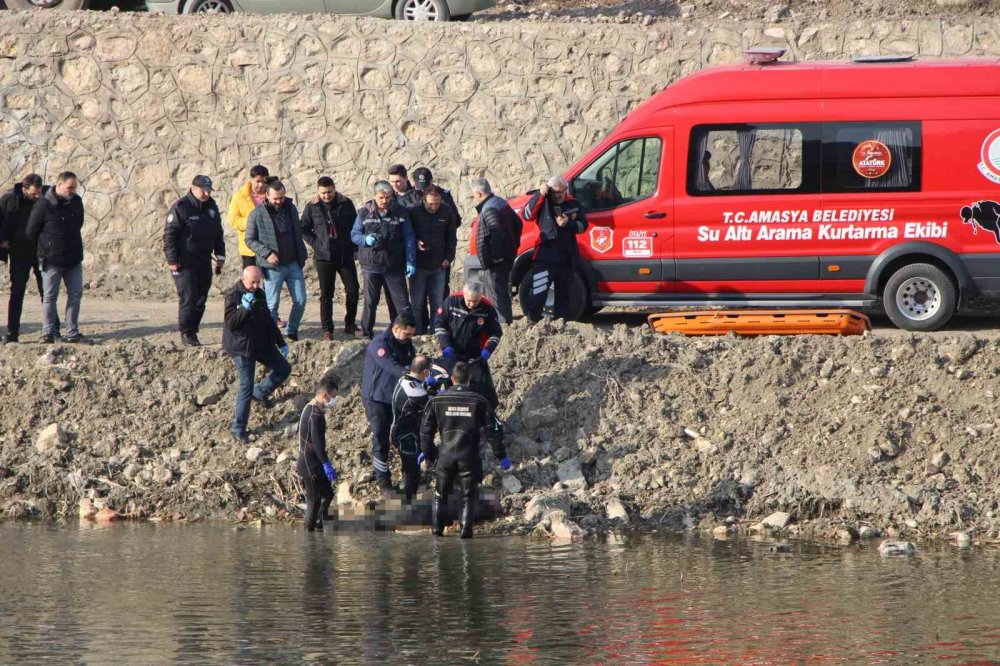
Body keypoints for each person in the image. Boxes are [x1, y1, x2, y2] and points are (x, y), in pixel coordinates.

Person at [420, 361, 510, 539]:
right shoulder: (479, 401)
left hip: (445, 455)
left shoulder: (437, 400)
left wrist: (427, 452)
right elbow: (493, 431)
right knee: (467, 497)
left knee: (439, 496)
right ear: (470, 379)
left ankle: (437, 535)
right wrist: (501, 455)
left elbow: (425, 431)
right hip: (469, 456)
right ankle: (465, 537)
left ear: (452, 379)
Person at [223, 265, 291, 445]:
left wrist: (280, 342)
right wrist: (243, 309)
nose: (255, 285)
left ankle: (260, 393)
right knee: (246, 386)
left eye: (258, 282)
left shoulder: (259, 294)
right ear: (243, 279)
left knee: (283, 368)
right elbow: (231, 324)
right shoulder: (233, 296)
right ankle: (238, 428)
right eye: (252, 282)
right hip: (242, 348)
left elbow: (268, 321)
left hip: (260, 343)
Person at [163, 175, 225, 347]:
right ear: (193, 188)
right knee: (188, 297)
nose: (206, 194)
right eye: (203, 191)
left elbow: (218, 233)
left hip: (204, 259)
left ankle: (194, 329)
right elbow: (169, 237)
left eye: (208, 191)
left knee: (201, 297)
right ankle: (187, 333)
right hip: (185, 261)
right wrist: (172, 260)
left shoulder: (211, 206)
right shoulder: (181, 207)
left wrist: (220, 255)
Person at [351, 181, 416, 340]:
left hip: (394, 264)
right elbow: (354, 234)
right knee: (370, 301)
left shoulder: (400, 212)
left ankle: (404, 332)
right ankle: (366, 333)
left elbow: (409, 237)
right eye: (381, 197)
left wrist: (411, 261)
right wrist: (365, 240)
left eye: (388, 197)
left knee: (401, 302)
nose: (385, 200)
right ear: (374, 196)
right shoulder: (364, 213)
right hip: (371, 264)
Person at [26, 171, 86, 344]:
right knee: (50, 297)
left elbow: (79, 223)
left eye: (74, 187)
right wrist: (46, 248)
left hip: (73, 258)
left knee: (75, 294)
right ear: (59, 185)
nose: (73, 190)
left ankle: (72, 332)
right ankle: (49, 332)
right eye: (69, 187)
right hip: (51, 259)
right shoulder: (44, 205)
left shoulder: (76, 201)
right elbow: (31, 231)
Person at [361, 313, 417, 495]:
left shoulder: (405, 342)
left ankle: (408, 477)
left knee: (403, 437)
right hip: (376, 399)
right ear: (396, 329)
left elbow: (412, 362)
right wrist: (412, 373)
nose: (409, 339)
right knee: (381, 438)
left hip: (395, 398)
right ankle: (383, 480)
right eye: (407, 335)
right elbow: (393, 368)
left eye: (411, 335)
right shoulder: (379, 345)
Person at [245, 180, 308, 341]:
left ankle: (291, 331)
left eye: (281, 197)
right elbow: (250, 240)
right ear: (266, 195)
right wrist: (266, 253)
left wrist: (302, 254)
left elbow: (297, 232)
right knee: (272, 304)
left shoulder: (291, 208)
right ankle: (271, 335)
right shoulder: (256, 214)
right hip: (272, 267)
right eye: (275, 198)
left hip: (293, 263)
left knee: (300, 300)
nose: (279, 201)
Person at [520, 175, 588, 321]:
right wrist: (540, 194)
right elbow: (526, 215)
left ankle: (562, 324)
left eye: (560, 192)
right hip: (545, 256)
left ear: (566, 190)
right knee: (539, 292)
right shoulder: (542, 202)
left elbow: (583, 226)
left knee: (565, 295)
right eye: (554, 192)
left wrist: (568, 224)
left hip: (567, 257)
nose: (557, 196)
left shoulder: (574, 204)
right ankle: (533, 321)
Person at [300, 176, 360, 339]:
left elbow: (355, 227)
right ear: (318, 191)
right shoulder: (312, 207)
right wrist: (316, 243)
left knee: (353, 290)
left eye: (329, 192)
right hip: (324, 256)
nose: (327, 196)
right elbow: (303, 228)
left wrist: (355, 248)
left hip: (344, 254)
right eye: (323, 193)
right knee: (327, 293)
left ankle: (350, 323)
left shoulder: (346, 203)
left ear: (334, 189)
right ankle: (327, 328)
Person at [434, 281, 502, 410]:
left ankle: (487, 416)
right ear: (463, 295)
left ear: (481, 297)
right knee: (454, 390)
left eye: (475, 301)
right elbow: (439, 324)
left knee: (484, 390)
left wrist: (487, 351)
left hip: (476, 356)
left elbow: (496, 333)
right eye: (469, 301)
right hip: (452, 354)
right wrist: (445, 346)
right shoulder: (451, 302)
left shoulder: (487, 308)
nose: (471, 304)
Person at [0, 173, 45, 343]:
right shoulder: (10, 200)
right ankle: (13, 332)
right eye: (34, 193)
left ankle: (52, 330)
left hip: (40, 252)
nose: (37, 196)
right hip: (18, 253)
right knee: (17, 292)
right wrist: (2, 240)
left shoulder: (44, 201)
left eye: (39, 192)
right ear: (24, 189)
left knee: (46, 292)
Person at [408, 185, 458, 335]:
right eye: (430, 204)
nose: (434, 207)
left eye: (436, 203)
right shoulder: (413, 211)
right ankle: (415, 334)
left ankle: (437, 334)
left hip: (438, 266)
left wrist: (449, 258)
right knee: (416, 304)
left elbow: (451, 238)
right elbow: (407, 235)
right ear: (424, 200)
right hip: (419, 266)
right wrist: (416, 242)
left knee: (437, 304)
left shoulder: (446, 211)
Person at [390, 354, 440, 503]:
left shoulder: (406, 378)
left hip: (406, 431)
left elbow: (423, 390)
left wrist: (428, 386)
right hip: (405, 435)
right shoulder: (413, 390)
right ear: (425, 372)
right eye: (429, 371)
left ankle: (405, 496)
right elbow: (432, 403)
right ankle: (407, 506)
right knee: (413, 473)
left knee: (409, 467)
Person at [472, 177, 522, 324]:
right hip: (507, 256)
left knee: (495, 294)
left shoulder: (489, 209)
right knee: (501, 292)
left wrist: (494, 256)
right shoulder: (500, 202)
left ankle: (501, 325)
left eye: (473, 195)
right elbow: (518, 223)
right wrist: (513, 246)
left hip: (497, 260)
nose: (474, 198)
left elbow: (496, 231)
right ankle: (503, 323)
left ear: (479, 194)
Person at [298, 375, 340, 532]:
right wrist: (326, 464)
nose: (334, 400)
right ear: (324, 395)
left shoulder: (313, 408)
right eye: (333, 396)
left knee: (328, 494)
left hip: (315, 461)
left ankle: (318, 524)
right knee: (314, 500)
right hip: (309, 463)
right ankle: (308, 538)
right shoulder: (314, 414)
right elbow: (317, 444)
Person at [227, 165, 270, 269]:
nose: (261, 185)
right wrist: (253, 222)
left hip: (270, 248)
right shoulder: (239, 197)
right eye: (258, 181)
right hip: (250, 250)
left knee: (270, 282)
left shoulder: (271, 195)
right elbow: (233, 220)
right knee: (251, 281)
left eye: (264, 182)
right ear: (250, 180)